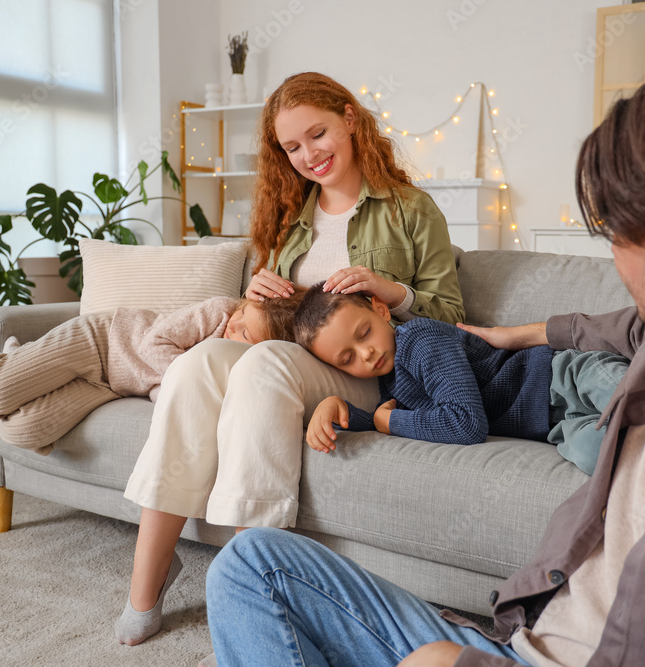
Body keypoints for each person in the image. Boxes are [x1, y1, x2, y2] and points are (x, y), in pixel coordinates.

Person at [203, 55, 645, 666]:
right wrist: (514, 335)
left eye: (614, 236)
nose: (612, 261)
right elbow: (606, 324)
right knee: (250, 564)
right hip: (517, 637)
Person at [116, 71, 464, 646]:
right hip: (286, 357)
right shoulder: (290, 216)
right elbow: (271, 318)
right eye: (293, 146)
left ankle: (252, 593)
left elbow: (452, 318)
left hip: (371, 376)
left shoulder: (409, 208)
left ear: (351, 120)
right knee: (196, 365)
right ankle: (147, 580)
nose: (309, 155)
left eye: (318, 134)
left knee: (264, 365)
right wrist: (256, 298)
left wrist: (390, 288)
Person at [294, 286, 629, 474]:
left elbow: (466, 424)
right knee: (597, 454)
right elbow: (385, 421)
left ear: (381, 311)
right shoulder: (390, 381)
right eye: (347, 359)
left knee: (629, 393)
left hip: (561, 376)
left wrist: (389, 420)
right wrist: (337, 408)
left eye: (364, 333)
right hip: (554, 425)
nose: (365, 354)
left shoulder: (418, 340)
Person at [0, 294, 299, 455]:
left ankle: (26, 379)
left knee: (27, 433)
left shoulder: (234, 370)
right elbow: (152, 344)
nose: (235, 323)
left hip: (110, 386)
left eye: (245, 333)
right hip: (104, 339)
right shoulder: (220, 310)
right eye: (243, 313)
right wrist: (189, 379)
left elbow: (164, 394)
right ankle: (16, 356)